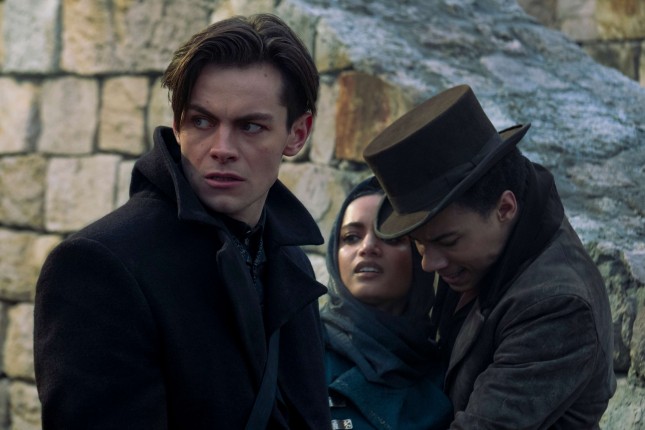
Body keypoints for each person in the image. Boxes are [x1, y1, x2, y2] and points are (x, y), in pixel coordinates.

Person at [34, 14, 331, 429]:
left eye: (250, 126)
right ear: (177, 125)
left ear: (297, 134)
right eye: (202, 121)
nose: (222, 148)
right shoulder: (100, 265)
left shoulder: (289, 262)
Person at [362, 84, 616, 428]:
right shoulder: (485, 253)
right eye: (418, 243)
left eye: (447, 241)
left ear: (505, 208)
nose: (428, 263)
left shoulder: (558, 306)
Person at [321, 176, 453, 430]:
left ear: (419, 256)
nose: (367, 247)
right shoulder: (299, 349)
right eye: (351, 237)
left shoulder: (450, 370)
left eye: (390, 237)